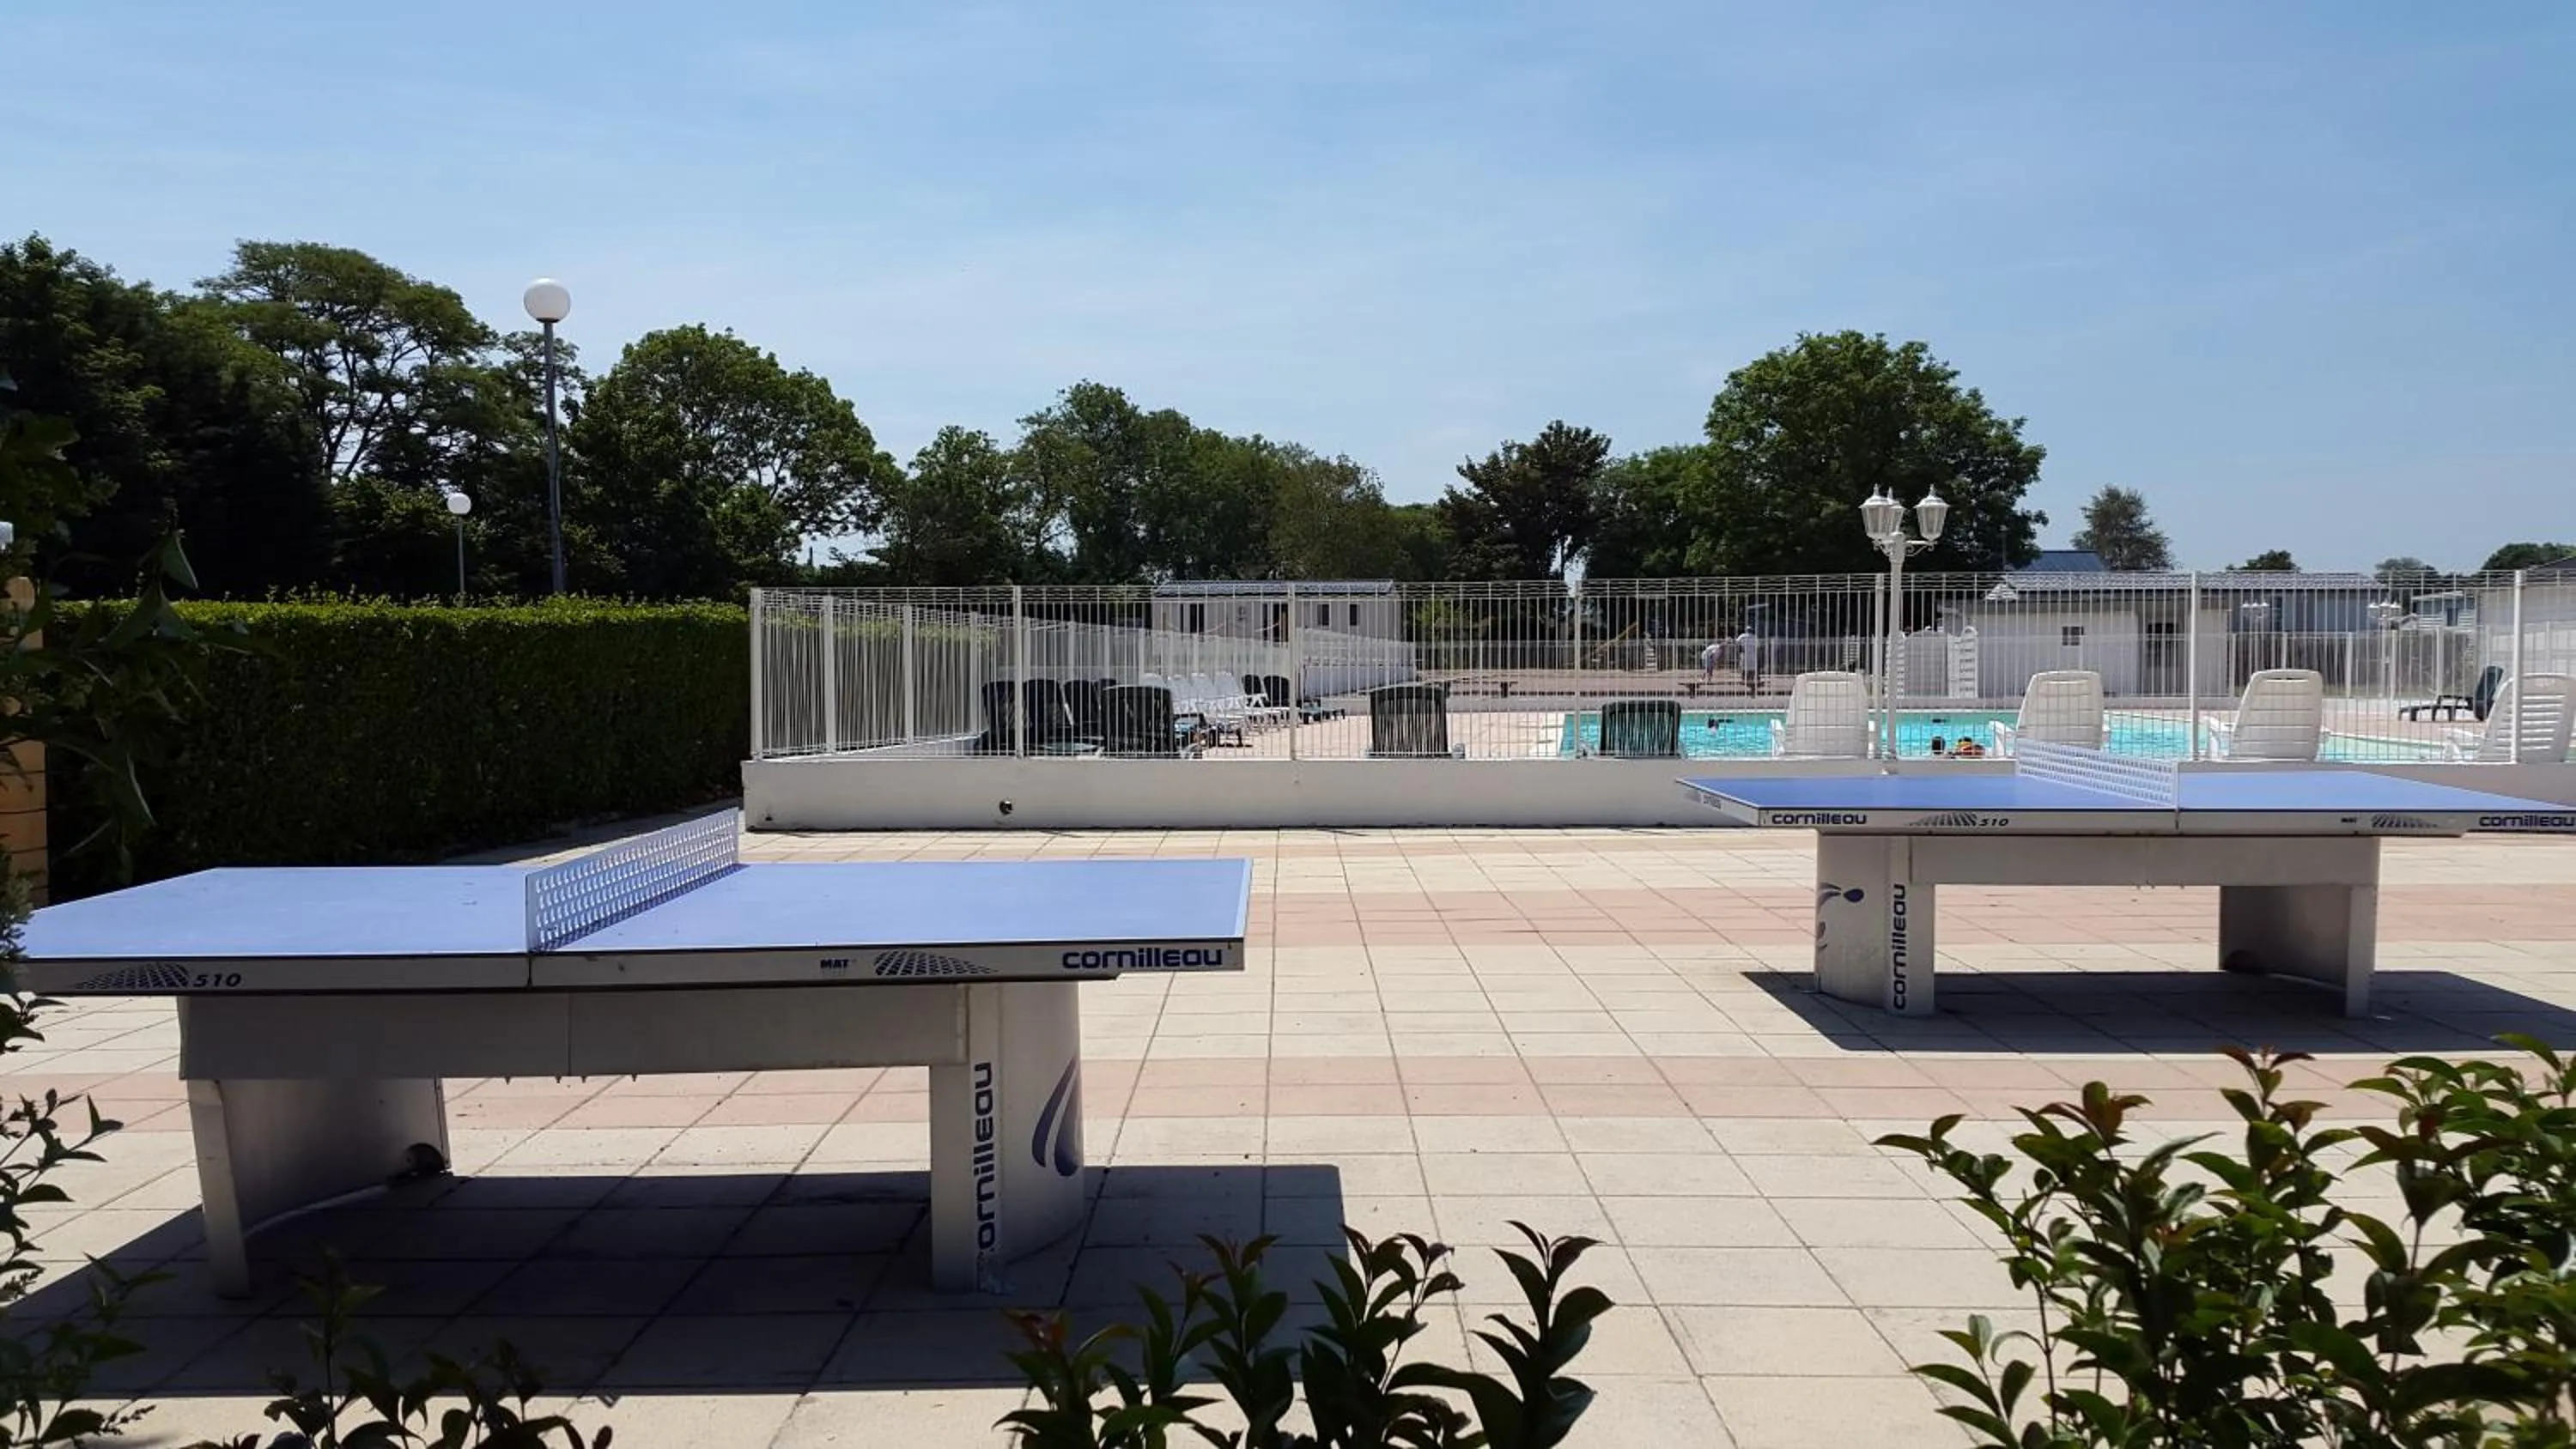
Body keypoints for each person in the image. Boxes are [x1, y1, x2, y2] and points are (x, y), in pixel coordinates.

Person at [1734, 626, 1761, 694]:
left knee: (1743, 667)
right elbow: (1758, 646)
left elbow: (1736, 642)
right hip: (1753, 655)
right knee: (1752, 668)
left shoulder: (1743, 636)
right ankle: (1751, 681)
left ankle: (1744, 680)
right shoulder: (1755, 637)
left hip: (1744, 654)